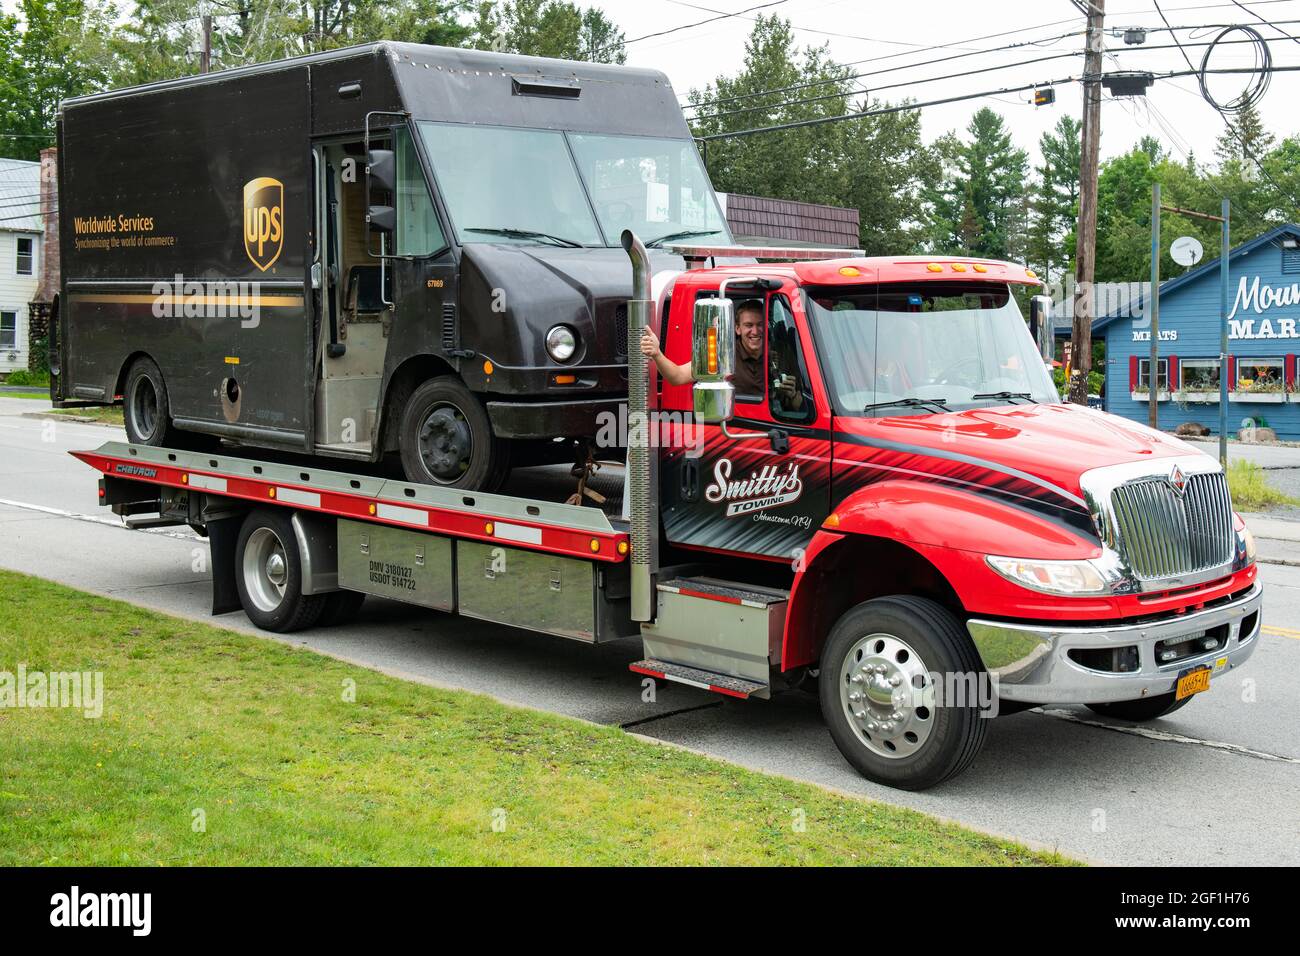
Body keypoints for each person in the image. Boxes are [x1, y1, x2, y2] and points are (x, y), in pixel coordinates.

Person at [639, 299, 802, 410]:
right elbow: (677, 376)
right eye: (748, 325)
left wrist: (792, 394)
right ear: (737, 329)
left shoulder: (783, 353)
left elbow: (800, 406)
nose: (755, 331)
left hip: (779, 429)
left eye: (760, 325)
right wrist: (657, 353)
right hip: (738, 429)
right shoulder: (720, 354)